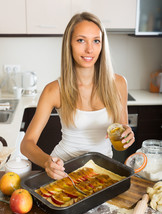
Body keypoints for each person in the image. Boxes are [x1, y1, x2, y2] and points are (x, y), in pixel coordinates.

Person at [21, 12, 135, 180]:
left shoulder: (118, 83)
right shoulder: (54, 90)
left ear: (102, 45)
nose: (89, 49)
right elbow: (26, 144)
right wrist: (47, 162)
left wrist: (126, 136)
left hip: (102, 171)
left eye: (96, 41)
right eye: (81, 40)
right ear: (69, 44)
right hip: (65, 171)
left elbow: (119, 142)